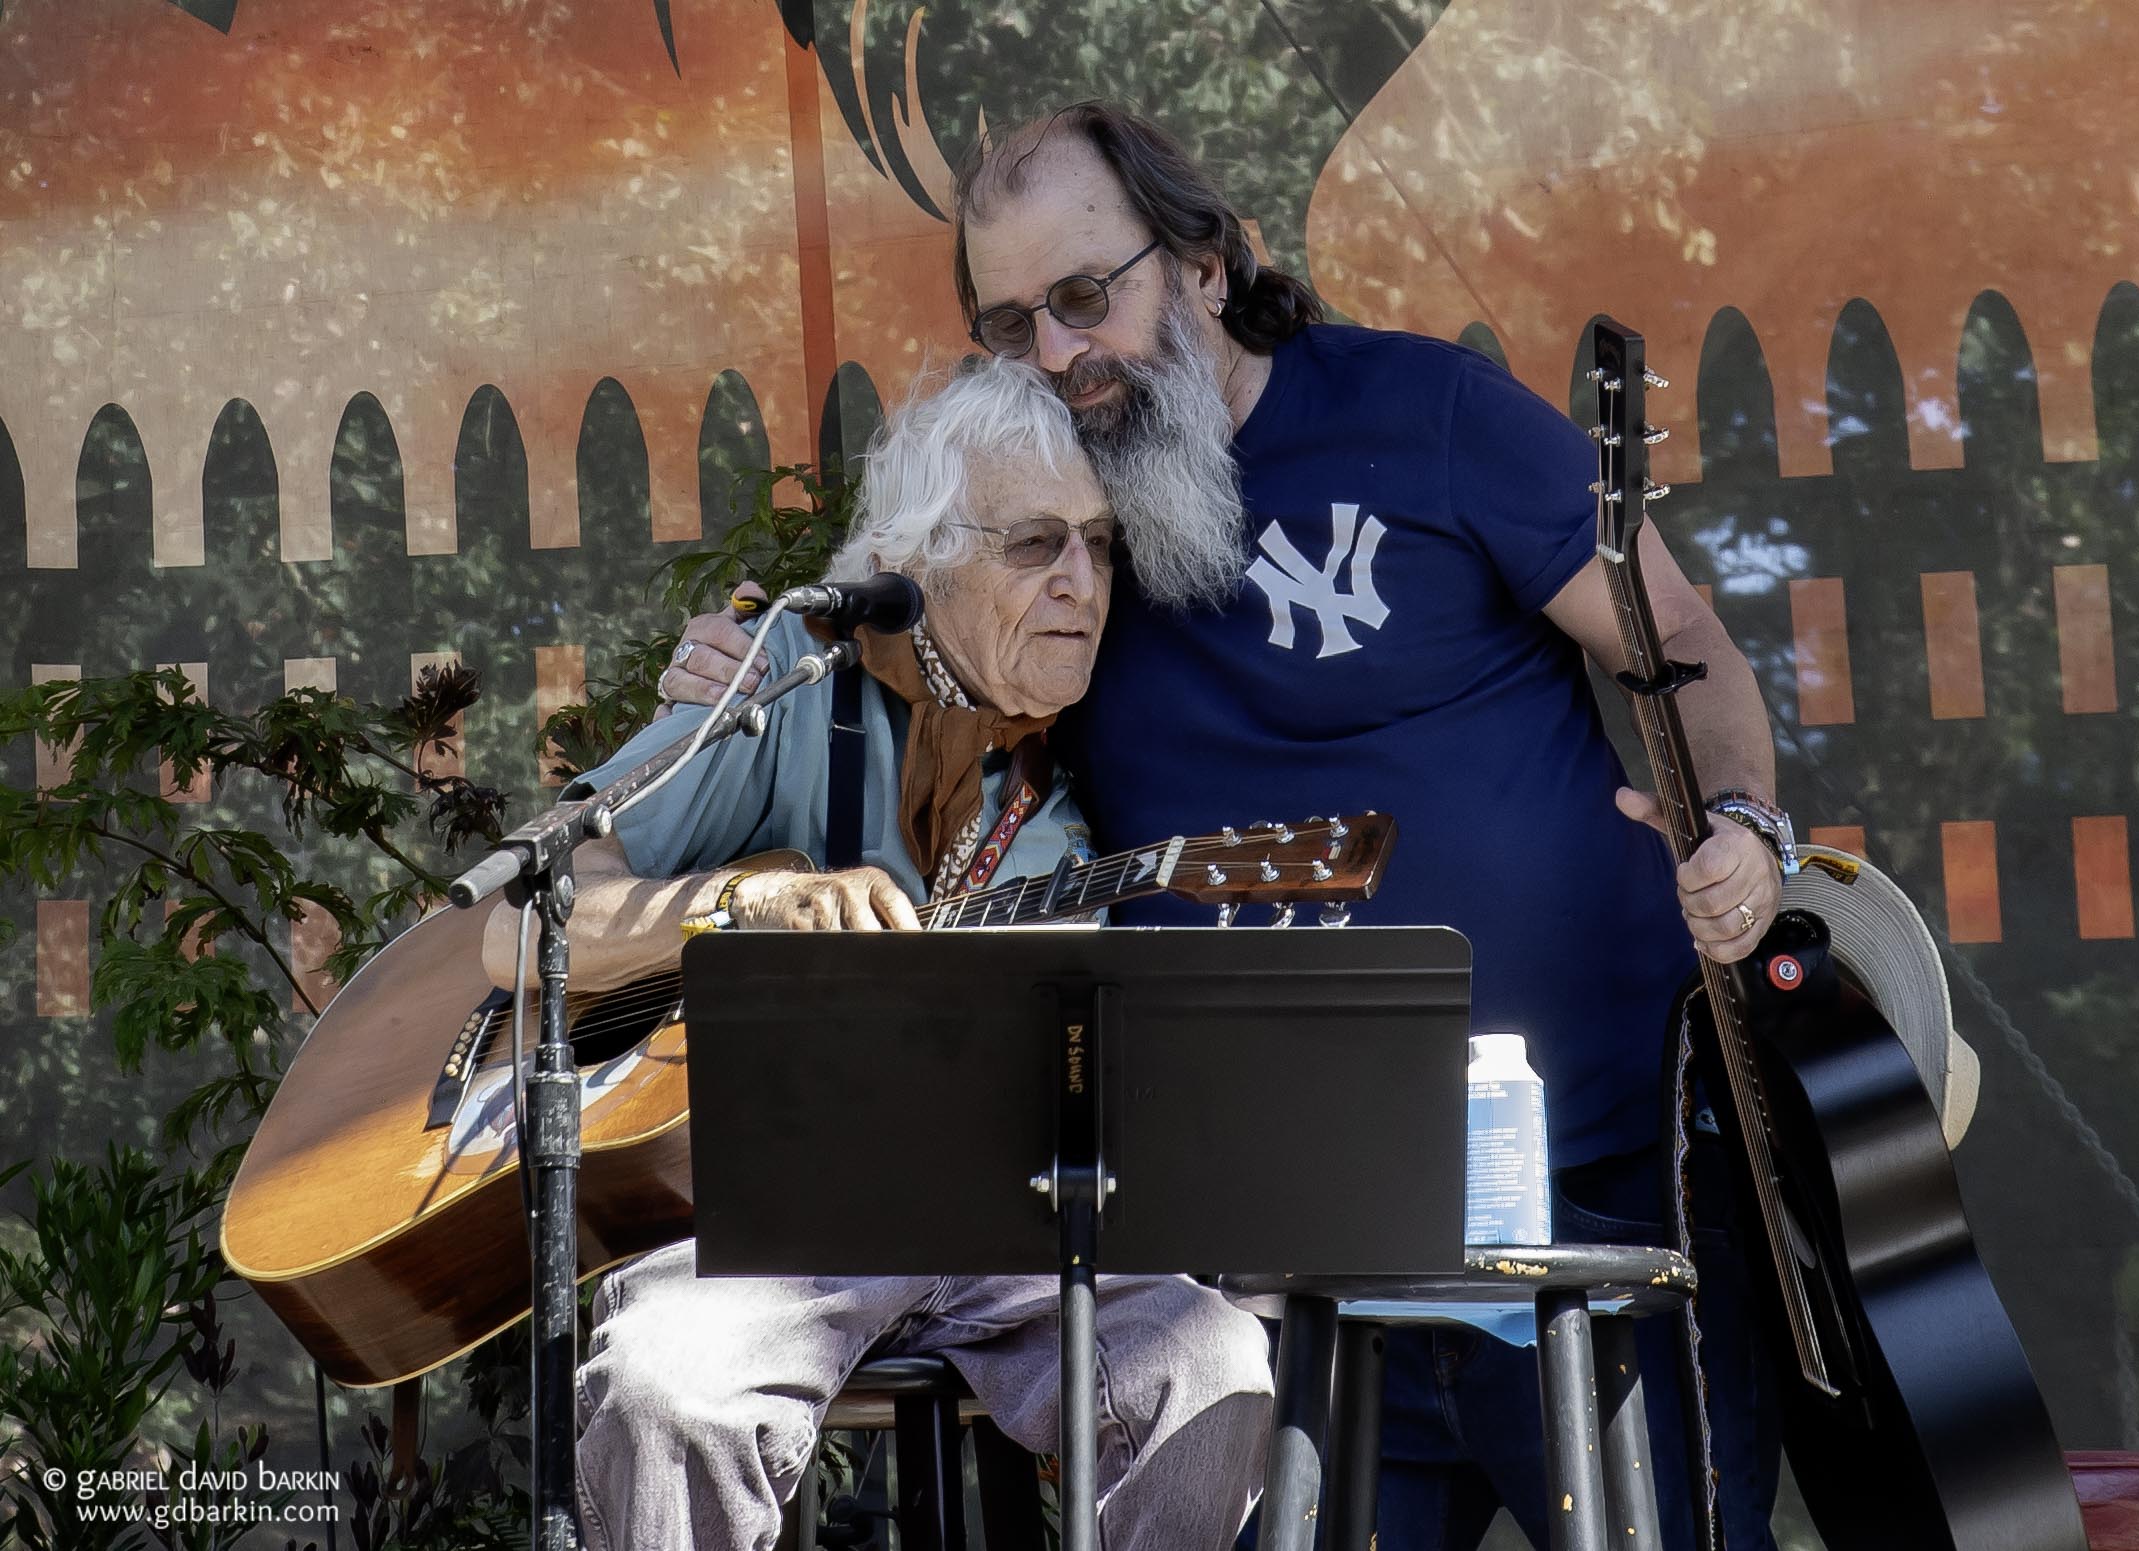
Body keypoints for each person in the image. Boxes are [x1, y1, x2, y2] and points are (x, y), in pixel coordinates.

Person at [665, 103, 1795, 1550]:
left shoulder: (1431, 414)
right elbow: (895, 657)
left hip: (1587, 1199)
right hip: (1267, 1263)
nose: (1058, 357)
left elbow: (1678, 640)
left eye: (1086, 297)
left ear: (1202, 263)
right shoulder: (1057, 529)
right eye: (1009, 326)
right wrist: (731, 670)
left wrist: (1742, 822)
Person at [516, 357, 1275, 1551]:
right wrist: (739, 904)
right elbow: (529, 915)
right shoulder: (780, 683)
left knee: (1214, 1363)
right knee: (669, 1387)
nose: (1084, 583)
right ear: (913, 563)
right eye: (1035, 545)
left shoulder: (1092, 759)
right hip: (761, 1225)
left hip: (999, 1230)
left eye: (1102, 546)